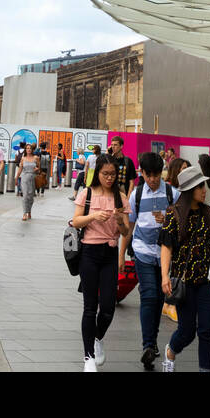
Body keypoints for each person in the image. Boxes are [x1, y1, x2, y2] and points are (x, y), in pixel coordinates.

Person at [159, 165, 210, 373]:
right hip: (184, 281)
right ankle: (171, 350)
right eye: (200, 186)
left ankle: (206, 369)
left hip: (207, 279)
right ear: (189, 190)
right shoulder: (174, 214)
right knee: (187, 331)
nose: (205, 190)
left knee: (207, 330)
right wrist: (164, 276)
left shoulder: (208, 212)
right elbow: (166, 246)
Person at [72, 153, 130, 372]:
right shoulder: (87, 194)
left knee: (107, 308)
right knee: (89, 307)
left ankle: (98, 337)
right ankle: (88, 357)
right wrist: (94, 217)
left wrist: (118, 220)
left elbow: (125, 231)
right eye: (106, 174)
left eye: (113, 174)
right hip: (89, 252)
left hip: (110, 254)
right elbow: (76, 221)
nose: (110, 178)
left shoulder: (120, 198)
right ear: (97, 173)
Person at [127, 151, 176, 370]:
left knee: (157, 299)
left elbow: (180, 223)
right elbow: (129, 226)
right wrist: (121, 255)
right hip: (142, 252)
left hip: (164, 254)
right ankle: (147, 346)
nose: (153, 179)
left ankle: (153, 342)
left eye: (157, 174)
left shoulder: (171, 193)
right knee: (148, 295)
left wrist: (168, 219)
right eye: (149, 174)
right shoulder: (136, 195)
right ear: (142, 173)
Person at [16, 142, 39, 220]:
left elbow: (39, 169)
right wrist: (16, 178)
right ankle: (24, 213)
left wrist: (37, 169)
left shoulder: (36, 158)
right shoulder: (23, 158)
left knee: (31, 197)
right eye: (27, 148)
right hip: (24, 178)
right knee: (25, 196)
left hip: (32, 178)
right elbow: (20, 169)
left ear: (32, 150)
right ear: (25, 150)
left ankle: (29, 211)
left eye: (30, 148)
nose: (29, 150)